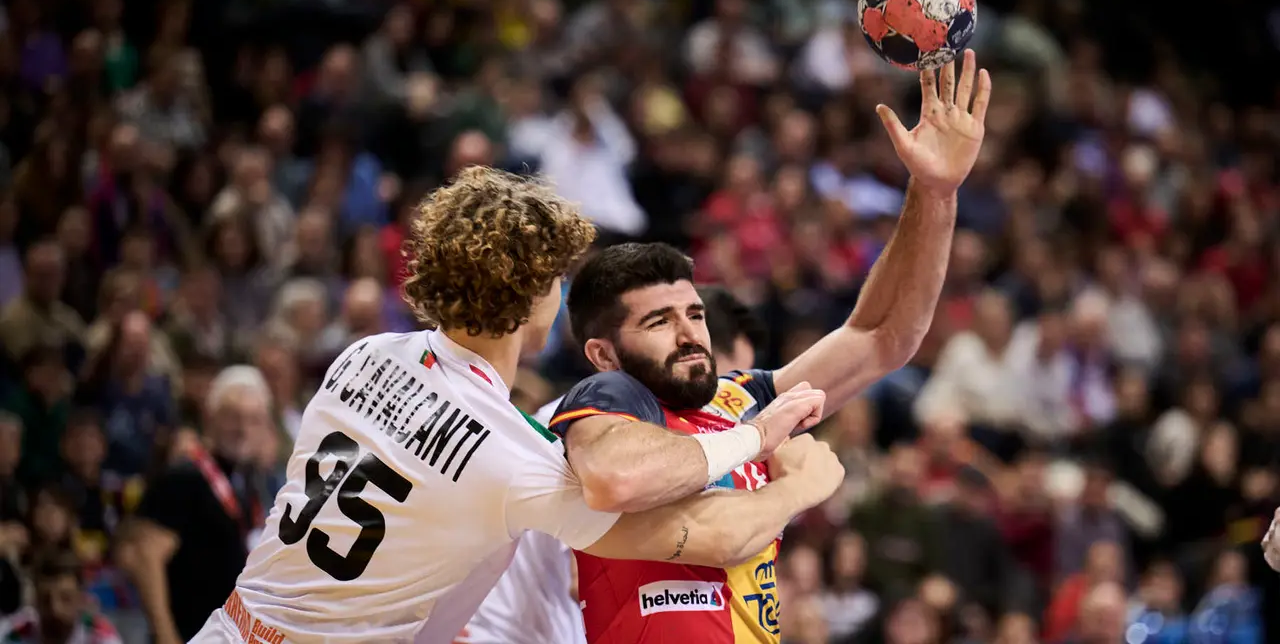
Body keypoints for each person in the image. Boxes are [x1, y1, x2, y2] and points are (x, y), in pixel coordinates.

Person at [186, 167, 844, 643]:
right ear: (534, 295)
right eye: (557, 279)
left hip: (228, 628)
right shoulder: (514, 459)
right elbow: (713, 537)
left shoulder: (365, 355)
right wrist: (769, 452)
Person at [549, 51, 991, 642]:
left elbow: (882, 336)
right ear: (603, 353)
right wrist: (792, 482)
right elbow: (615, 481)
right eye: (658, 321)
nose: (689, 335)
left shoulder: (739, 399)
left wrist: (935, 193)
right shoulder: (607, 400)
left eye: (695, 314)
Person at [463, 285, 766, 644]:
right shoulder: (599, 435)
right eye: (731, 380)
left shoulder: (594, 419)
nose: (732, 402)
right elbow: (590, 575)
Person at [123, 366, 275, 644]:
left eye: (253, 419)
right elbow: (144, 557)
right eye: (233, 416)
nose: (243, 429)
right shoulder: (185, 476)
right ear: (210, 418)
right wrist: (166, 636)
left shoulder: (249, 482)